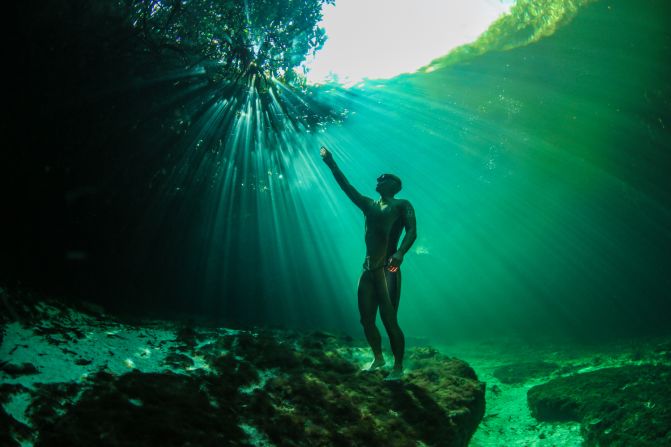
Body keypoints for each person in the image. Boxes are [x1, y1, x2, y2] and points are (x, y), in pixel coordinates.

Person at [320, 146, 417, 381]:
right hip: (368, 269)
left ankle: (398, 367)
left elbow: (412, 231)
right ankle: (378, 357)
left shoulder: (402, 204)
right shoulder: (368, 204)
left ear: (393, 185)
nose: (377, 179)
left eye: (382, 178)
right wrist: (331, 163)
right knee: (365, 319)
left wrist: (401, 253)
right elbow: (346, 187)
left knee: (389, 319)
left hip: (389, 269)